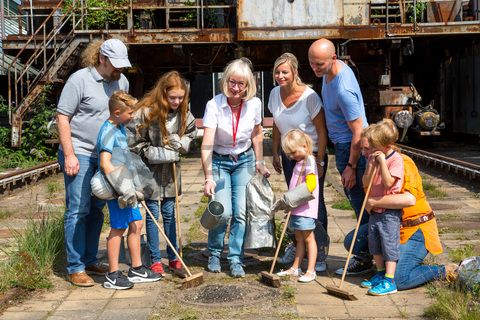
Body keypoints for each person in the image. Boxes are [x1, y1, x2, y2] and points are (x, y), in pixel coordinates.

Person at [56, 38, 131, 287]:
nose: (119, 70)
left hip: (105, 157)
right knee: (78, 209)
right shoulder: (80, 80)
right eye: (115, 64)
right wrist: (69, 155)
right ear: (102, 58)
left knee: (98, 210)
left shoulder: (122, 81)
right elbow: (63, 117)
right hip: (79, 151)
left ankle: (89, 258)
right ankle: (75, 266)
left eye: (122, 64)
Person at [343, 153, 458, 291]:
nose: (363, 152)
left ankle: (443, 270)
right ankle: (380, 267)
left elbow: (409, 199)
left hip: (414, 228)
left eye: (369, 147)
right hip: (387, 224)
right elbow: (368, 192)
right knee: (353, 241)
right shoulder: (372, 162)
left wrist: (373, 202)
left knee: (399, 280)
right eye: (362, 148)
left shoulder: (403, 162)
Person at [201, 58, 270, 278]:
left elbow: (257, 133)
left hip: (244, 160)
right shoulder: (214, 105)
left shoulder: (255, 104)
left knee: (241, 213)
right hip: (220, 160)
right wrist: (208, 177)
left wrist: (259, 161)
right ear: (225, 82)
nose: (236, 88)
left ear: (248, 85)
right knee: (222, 212)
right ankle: (213, 253)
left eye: (242, 84)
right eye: (232, 82)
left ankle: (235, 258)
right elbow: (207, 144)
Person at [308, 38, 371, 275]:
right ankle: (369, 253)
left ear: (333, 58)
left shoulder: (343, 88)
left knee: (360, 205)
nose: (315, 68)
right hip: (343, 146)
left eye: (320, 64)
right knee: (359, 204)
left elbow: (359, 131)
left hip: (351, 149)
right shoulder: (330, 72)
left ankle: (365, 257)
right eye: (312, 63)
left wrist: (351, 166)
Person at [127, 71, 197, 276]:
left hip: (171, 175)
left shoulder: (184, 113)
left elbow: (191, 135)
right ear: (163, 93)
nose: (177, 101)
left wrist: (182, 143)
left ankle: (174, 257)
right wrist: (156, 153)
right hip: (149, 172)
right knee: (152, 215)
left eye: (181, 97)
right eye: (172, 97)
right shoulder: (146, 112)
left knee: (170, 213)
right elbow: (133, 142)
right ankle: (155, 259)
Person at [268, 52, 329, 272]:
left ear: (295, 72)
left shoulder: (309, 97)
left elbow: (321, 131)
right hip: (289, 155)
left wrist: (319, 160)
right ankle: (297, 247)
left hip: (310, 155)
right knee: (295, 202)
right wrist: (275, 152)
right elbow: (276, 124)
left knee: (314, 203)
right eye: (277, 71)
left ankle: (319, 250)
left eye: (285, 71)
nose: (280, 76)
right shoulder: (275, 94)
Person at [97, 91, 162, 290]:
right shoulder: (107, 131)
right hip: (117, 191)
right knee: (118, 227)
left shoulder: (120, 128)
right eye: (130, 113)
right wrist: (124, 189)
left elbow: (125, 159)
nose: (132, 116)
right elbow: (105, 164)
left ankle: (136, 269)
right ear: (117, 112)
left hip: (128, 188)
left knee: (137, 224)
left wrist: (135, 186)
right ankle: (113, 274)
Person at [359, 119, 404, 295]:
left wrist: (382, 163)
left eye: (367, 148)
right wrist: (370, 165)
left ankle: (389, 280)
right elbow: (365, 182)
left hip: (389, 211)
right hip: (375, 211)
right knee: (374, 244)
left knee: (389, 244)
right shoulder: (371, 159)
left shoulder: (395, 159)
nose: (363, 152)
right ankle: (379, 273)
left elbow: (388, 182)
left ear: (381, 146)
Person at [275, 129, 319, 283]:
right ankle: (295, 267)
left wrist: (293, 198)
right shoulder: (300, 162)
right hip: (297, 208)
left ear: (305, 146)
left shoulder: (309, 162)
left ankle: (311, 270)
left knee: (308, 239)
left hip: (306, 209)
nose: (292, 156)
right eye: (290, 154)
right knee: (299, 238)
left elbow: (311, 185)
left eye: (294, 152)